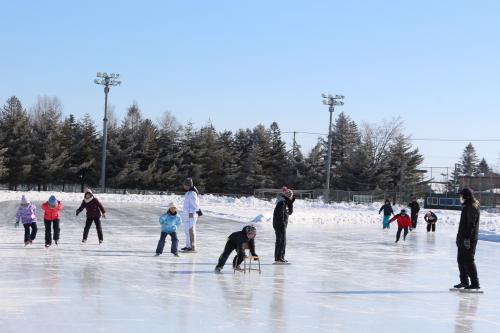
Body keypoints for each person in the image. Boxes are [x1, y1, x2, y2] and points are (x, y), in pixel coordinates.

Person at [453, 188, 481, 291]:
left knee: (469, 260)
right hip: (463, 237)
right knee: (460, 260)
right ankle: (464, 281)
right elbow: (463, 224)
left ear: (467, 196)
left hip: (469, 238)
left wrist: (467, 238)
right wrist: (459, 236)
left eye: (461, 196)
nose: (460, 197)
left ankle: (475, 283)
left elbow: (471, 224)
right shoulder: (467, 205)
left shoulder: (472, 206)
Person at [273, 186, 295, 264]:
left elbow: (289, 213)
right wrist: (282, 224)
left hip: (282, 224)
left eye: (290, 194)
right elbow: (279, 214)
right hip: (279, 224)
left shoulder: (286, 202)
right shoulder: (282, 202)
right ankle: (278, 258)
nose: (289, 195)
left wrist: (290, 204)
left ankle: (281, 257)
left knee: (283, 241)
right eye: (288, 193)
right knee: (280, 241)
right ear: (284, 194)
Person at [181, 178, 200, 252]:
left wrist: (193, 213)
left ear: (188, 185)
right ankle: (188, 246)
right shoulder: (188, 193)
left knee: (190, 230)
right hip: (188, 214)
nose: (183, 186)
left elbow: (195, 205)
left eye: (184, 184)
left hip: (191, 214)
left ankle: (192, 247)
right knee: (187, 230)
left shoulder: (192, 193)